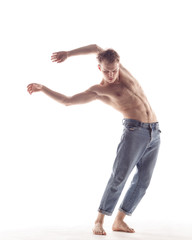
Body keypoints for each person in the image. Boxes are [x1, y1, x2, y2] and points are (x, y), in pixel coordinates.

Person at [27, 44, 161, 235]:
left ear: (119, 65)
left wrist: (69, 54)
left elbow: (96, 47)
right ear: (100, 69)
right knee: (119, 176)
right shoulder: (100, 90)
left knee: (143, 181)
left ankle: (120, 220)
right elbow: (68, 100)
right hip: (134, 131)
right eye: (107, 71)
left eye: (114, 70)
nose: (111, 75)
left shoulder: (122, 72)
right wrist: (43, 88)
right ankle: (99, 220)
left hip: (154, 132)